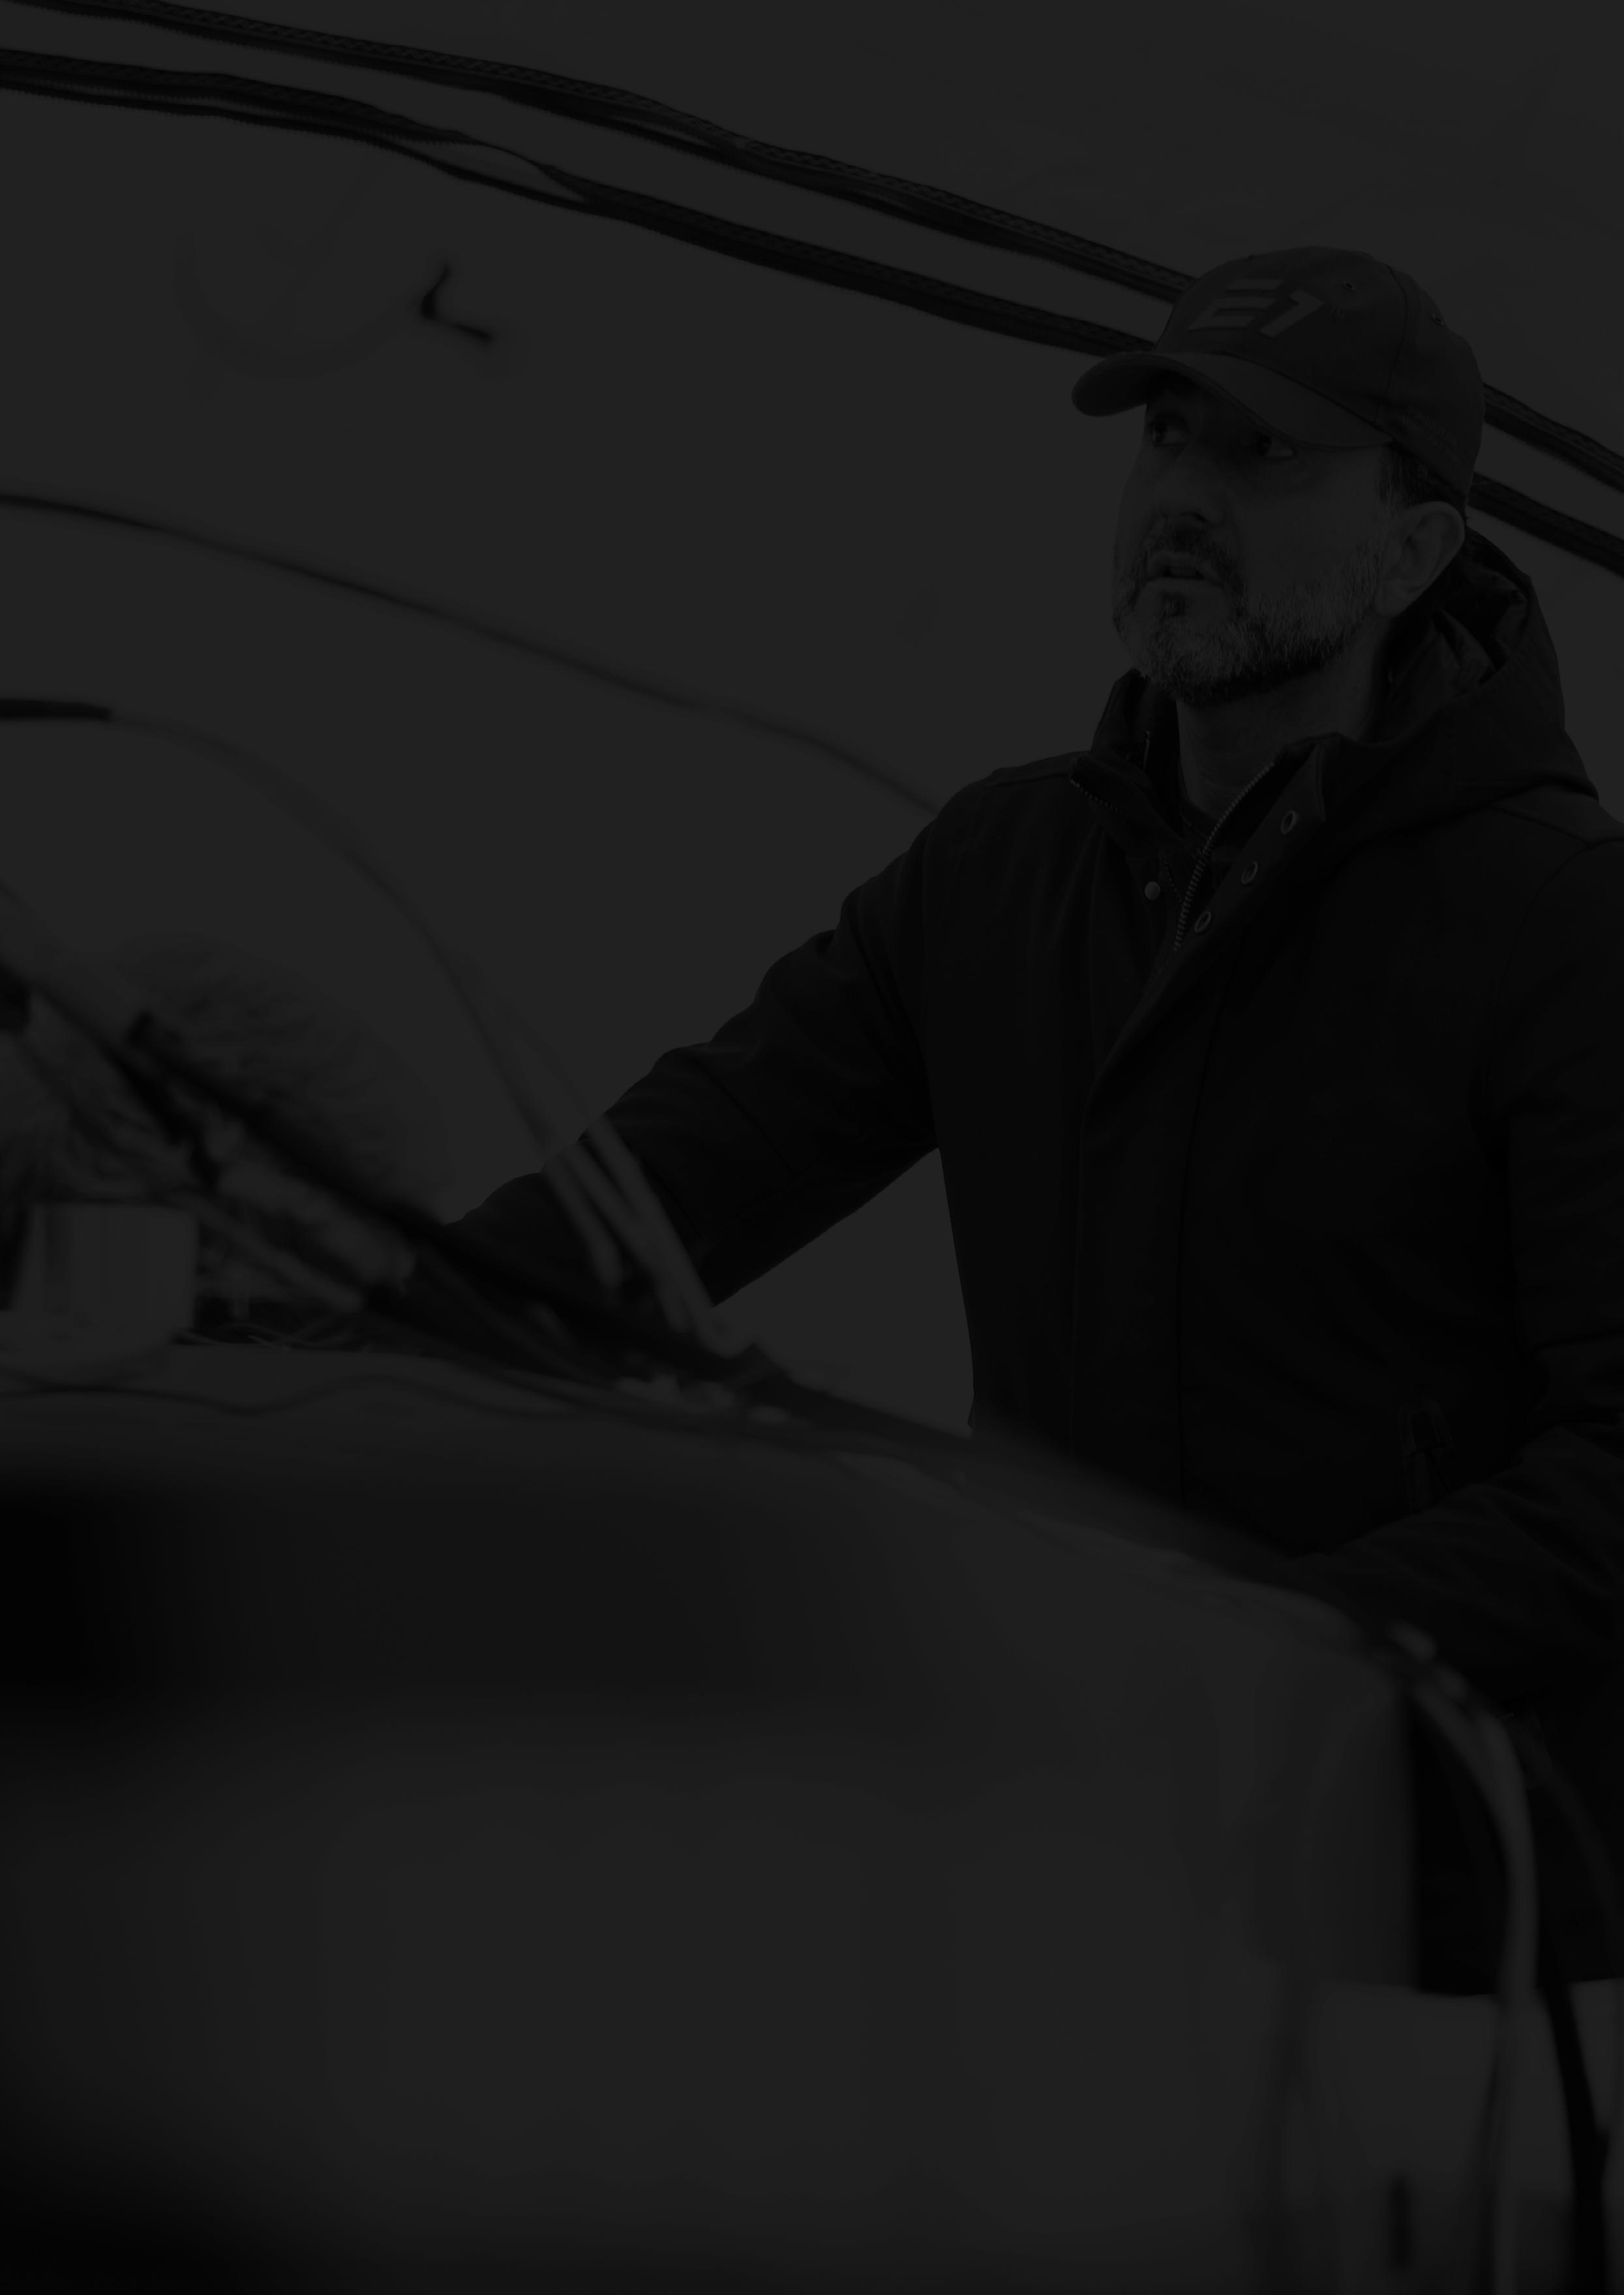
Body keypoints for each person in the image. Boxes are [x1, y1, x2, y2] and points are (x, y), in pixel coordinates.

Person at [397, 247, 1624, 1988]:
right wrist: (341, 1327)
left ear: (1416, 547)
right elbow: (669, 1188)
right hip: (1077, 1856)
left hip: (1426, 1933)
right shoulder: (999, 870)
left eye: (1265, 457)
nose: (1184, 497)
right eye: (1167, 439)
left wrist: (1277, 1641)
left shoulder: (1564, 922)